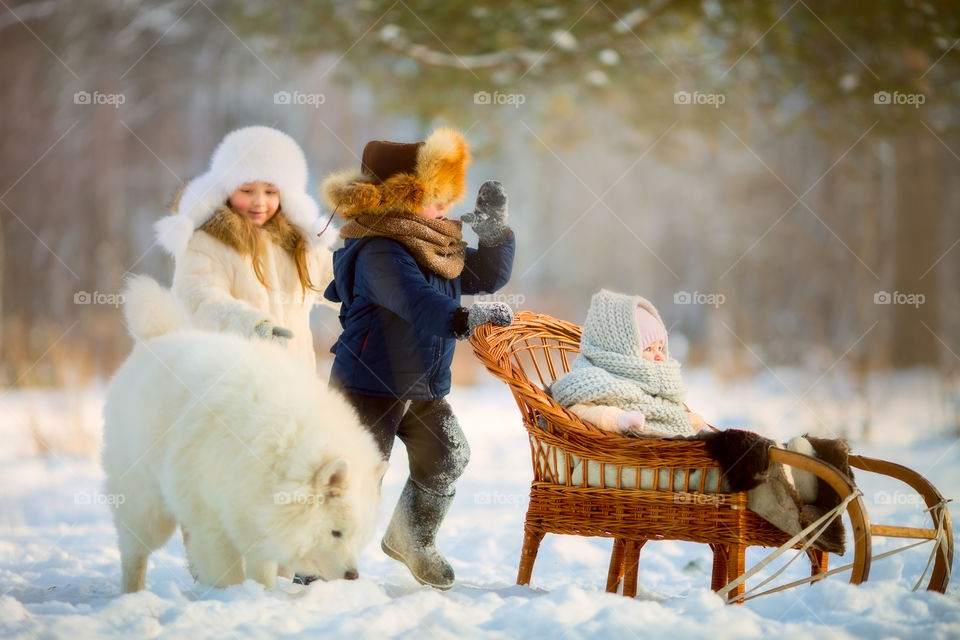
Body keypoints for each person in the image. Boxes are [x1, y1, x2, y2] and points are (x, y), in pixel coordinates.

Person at [316, 126, 516, 589]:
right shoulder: (378, 249)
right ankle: (321, 560)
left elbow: (484, 274)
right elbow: (415, 301)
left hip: (421, 383)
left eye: (448, 194)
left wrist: (495, 233)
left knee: (447, 456)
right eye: (434, 195)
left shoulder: (435, 242)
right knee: (356, 477)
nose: (445, 205)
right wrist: (465, 318)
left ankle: (412, 538)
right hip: (369, 385)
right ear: (399, 198)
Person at [154, 125, 334, 370]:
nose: (259, 201)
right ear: (227, 191)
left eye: (270, 191)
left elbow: (339, 282)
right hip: (234, 380)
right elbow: (197, 300)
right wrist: (252, 326)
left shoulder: (297, 244)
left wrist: (377, 282)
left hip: (296, 383)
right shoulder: (206, 243)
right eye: (247, 190)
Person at [551, 289, 708, 437]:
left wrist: (698, 425)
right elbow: (579, 412)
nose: (659, 355)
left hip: (668, 453)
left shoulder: (660, 386)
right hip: (620, 458)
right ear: (622, 353)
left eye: (660, 347)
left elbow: (675, 414)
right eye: (649, 349)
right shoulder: (594, 383)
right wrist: (618, 419)